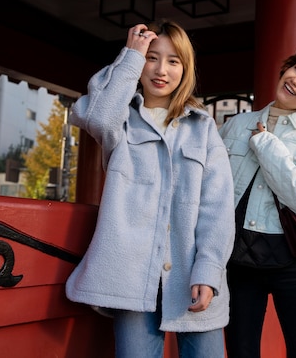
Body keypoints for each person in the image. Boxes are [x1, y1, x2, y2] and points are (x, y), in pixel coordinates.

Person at [65, 20, 235, 357]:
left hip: (192, 273)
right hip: (128, 274)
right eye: (151, 58)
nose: (160, 70)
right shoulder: (121, 119)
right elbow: (96, 117)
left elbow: (217, 206)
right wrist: (130, 55)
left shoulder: (202, 128)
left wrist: (209, 269)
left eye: (173, 61)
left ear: (185, 69)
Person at [219, 46, 296, 357]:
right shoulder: (235, 126)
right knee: (240, 351)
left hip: (294, 263)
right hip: (237, 261)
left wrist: (266, 145)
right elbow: (211, 189)